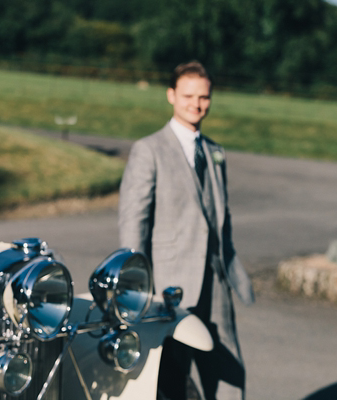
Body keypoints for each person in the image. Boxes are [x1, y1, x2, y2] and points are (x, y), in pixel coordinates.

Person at [118, 61, 254, 400]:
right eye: (188, 95)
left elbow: (222, 216)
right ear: (171, 95)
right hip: (169, 283)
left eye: (204, 96)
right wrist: (139, 283)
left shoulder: (214, 151)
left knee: (227, 369)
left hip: (215, 281)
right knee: (169, 374)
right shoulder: (148, 149)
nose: (196, 103)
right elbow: (134, 220)